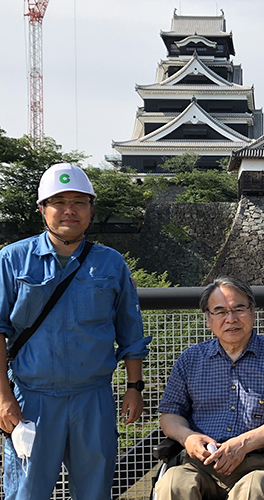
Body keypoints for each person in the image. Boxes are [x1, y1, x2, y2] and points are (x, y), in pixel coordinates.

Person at [0, 163, 151, 500]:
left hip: (93, 398)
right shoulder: (12, 260)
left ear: (91, 210)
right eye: (59, 201)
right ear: (42, 209)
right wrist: (3, 397)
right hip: (31, 399)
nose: (69, 210)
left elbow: (130, 330)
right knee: (27, 492)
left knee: (95, 491)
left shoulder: (111, 263)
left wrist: (134, 387)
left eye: (80, 202)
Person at [154, 276, 264, 499]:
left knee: (254, 489)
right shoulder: (190, 359)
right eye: (220, 311)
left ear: (253, 313)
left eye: (239, 309)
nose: (231, 319)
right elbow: (170, 415)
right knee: (172, 484)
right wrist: (188, 437)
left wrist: (242, 444)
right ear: (208, 319)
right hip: (200, 463)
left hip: (257, 463)